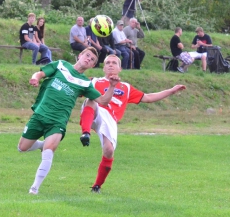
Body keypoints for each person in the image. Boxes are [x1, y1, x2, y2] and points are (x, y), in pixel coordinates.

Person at [17, 47, 120, 195]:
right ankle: (41, 145)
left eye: (92, 60)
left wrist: (111, 87)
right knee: (22, 147)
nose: (88, 59)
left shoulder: (85, 83)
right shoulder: (60, 65)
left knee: (49, 151)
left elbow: (103, 101)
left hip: (58, 122)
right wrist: (36, 78)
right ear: (80, 55)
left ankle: (34, 188)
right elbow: (40, 73)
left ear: (92, 66)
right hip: (40, 115)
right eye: (87, 56)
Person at [79, 54, 186, 193]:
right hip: (95, 111)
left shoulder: (126, 88)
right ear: (104, 67)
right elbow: (75, 88)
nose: (111, 65)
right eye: (108, 63)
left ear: (120, 68)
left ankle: (96, 186)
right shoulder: (94, 82)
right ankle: (85, 133)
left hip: (110, 119)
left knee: (109, 151)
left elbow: (148, 97)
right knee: (92, 100)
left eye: (114, 63)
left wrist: (171, 91)